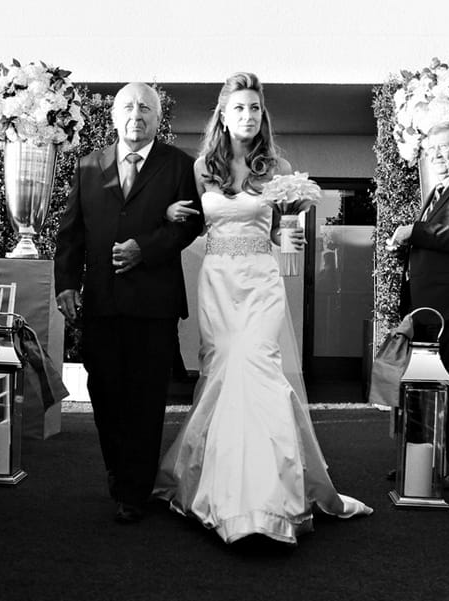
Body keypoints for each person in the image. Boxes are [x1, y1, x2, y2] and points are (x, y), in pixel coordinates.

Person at [154, 72, 372, 544]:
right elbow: (184, 222)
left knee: (259, 369)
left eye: (255, 108)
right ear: (224, 117)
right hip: (218, 281)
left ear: (263, 116)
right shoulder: (200, 169)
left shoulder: (278, 167)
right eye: (239, 108)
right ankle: (217, 488)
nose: (248, 116)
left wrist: (287, 232)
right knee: (224, 372)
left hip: (262, 282)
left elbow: (281, 234)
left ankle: (268, 501)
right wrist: (171, 214)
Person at [54, 82, 203, 523]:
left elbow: (191, 226)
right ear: (114, 116)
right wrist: (66, 283)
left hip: (153, 304)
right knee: (104, 391)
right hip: (100, 301)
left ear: (159, 119)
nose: (136, 113)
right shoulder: (87, 166)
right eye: (128, 106)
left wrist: (147, 247)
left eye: (146, 107)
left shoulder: (180, 166)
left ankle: (133, 490)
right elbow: (71, 232)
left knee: (145, 397)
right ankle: (120, 470)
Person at [388, 121, 449, 487]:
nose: (438, 156)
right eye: (431, 150)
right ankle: (419, 465)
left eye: (444, 148)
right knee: (423, 386)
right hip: (427, 307)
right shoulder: (439, 189)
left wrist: (417, 231)